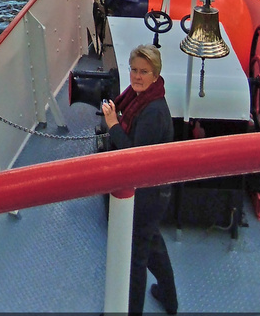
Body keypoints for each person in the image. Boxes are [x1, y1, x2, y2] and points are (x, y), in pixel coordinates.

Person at [101, 45, 178, 316]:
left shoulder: (153, 111)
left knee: (136, 258)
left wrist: (112, 124)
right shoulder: (139, 99)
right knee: (153, 245)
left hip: (147, 196)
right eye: (134, 69)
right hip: (155, 192)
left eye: (144, 72)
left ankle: (130, 311)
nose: (137, 76)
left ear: (156, 75)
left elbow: (133, 155)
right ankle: (170, 300)